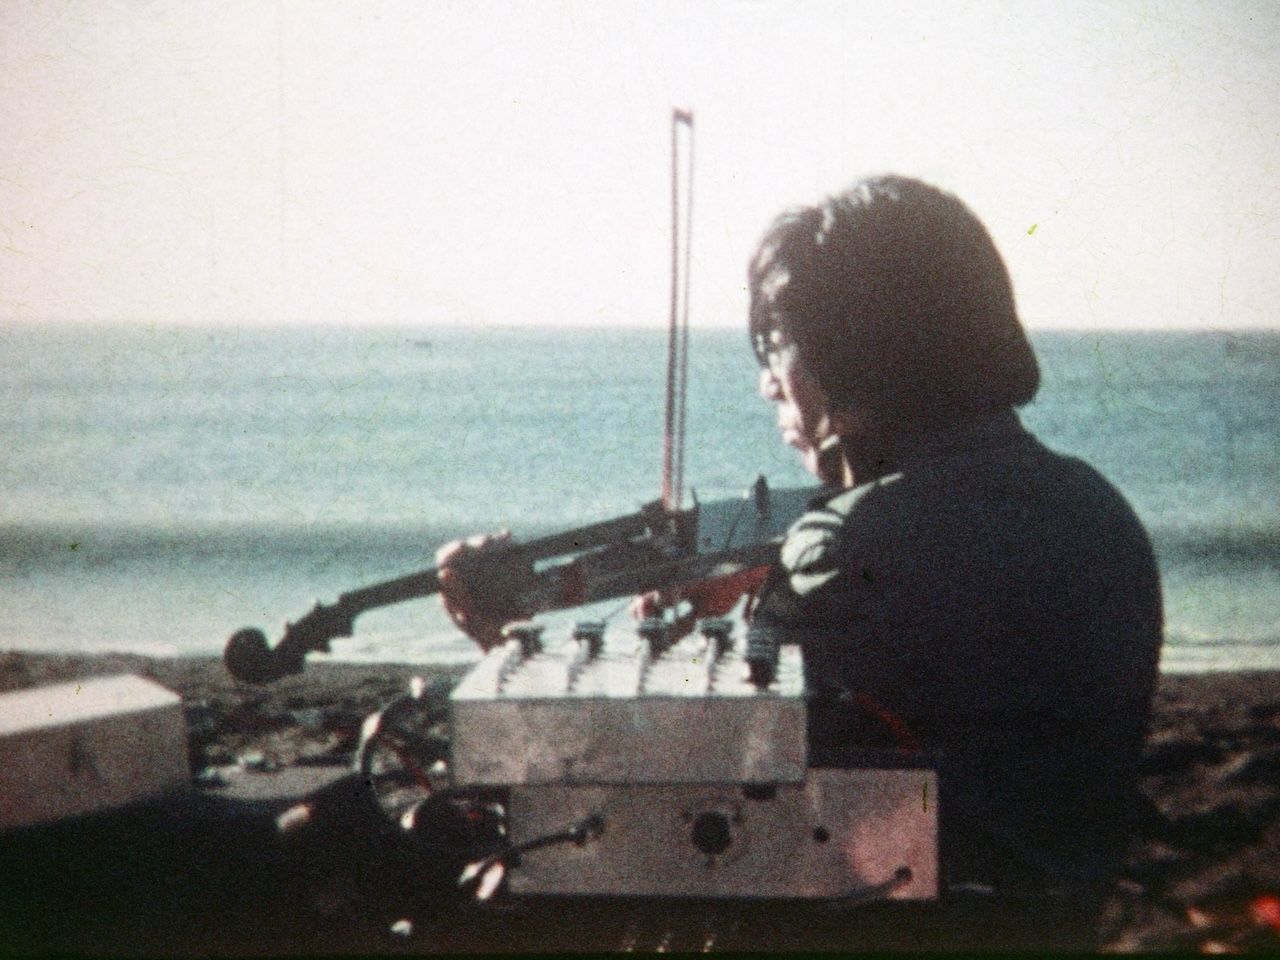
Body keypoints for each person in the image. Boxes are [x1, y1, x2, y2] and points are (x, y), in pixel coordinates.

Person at [438, 175, 1163, 950]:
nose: (766, 385)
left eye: (776, 351)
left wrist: (503, 648)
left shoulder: (844, 546)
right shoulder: (1096, 509)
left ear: (841, 365)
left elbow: (694, 801)